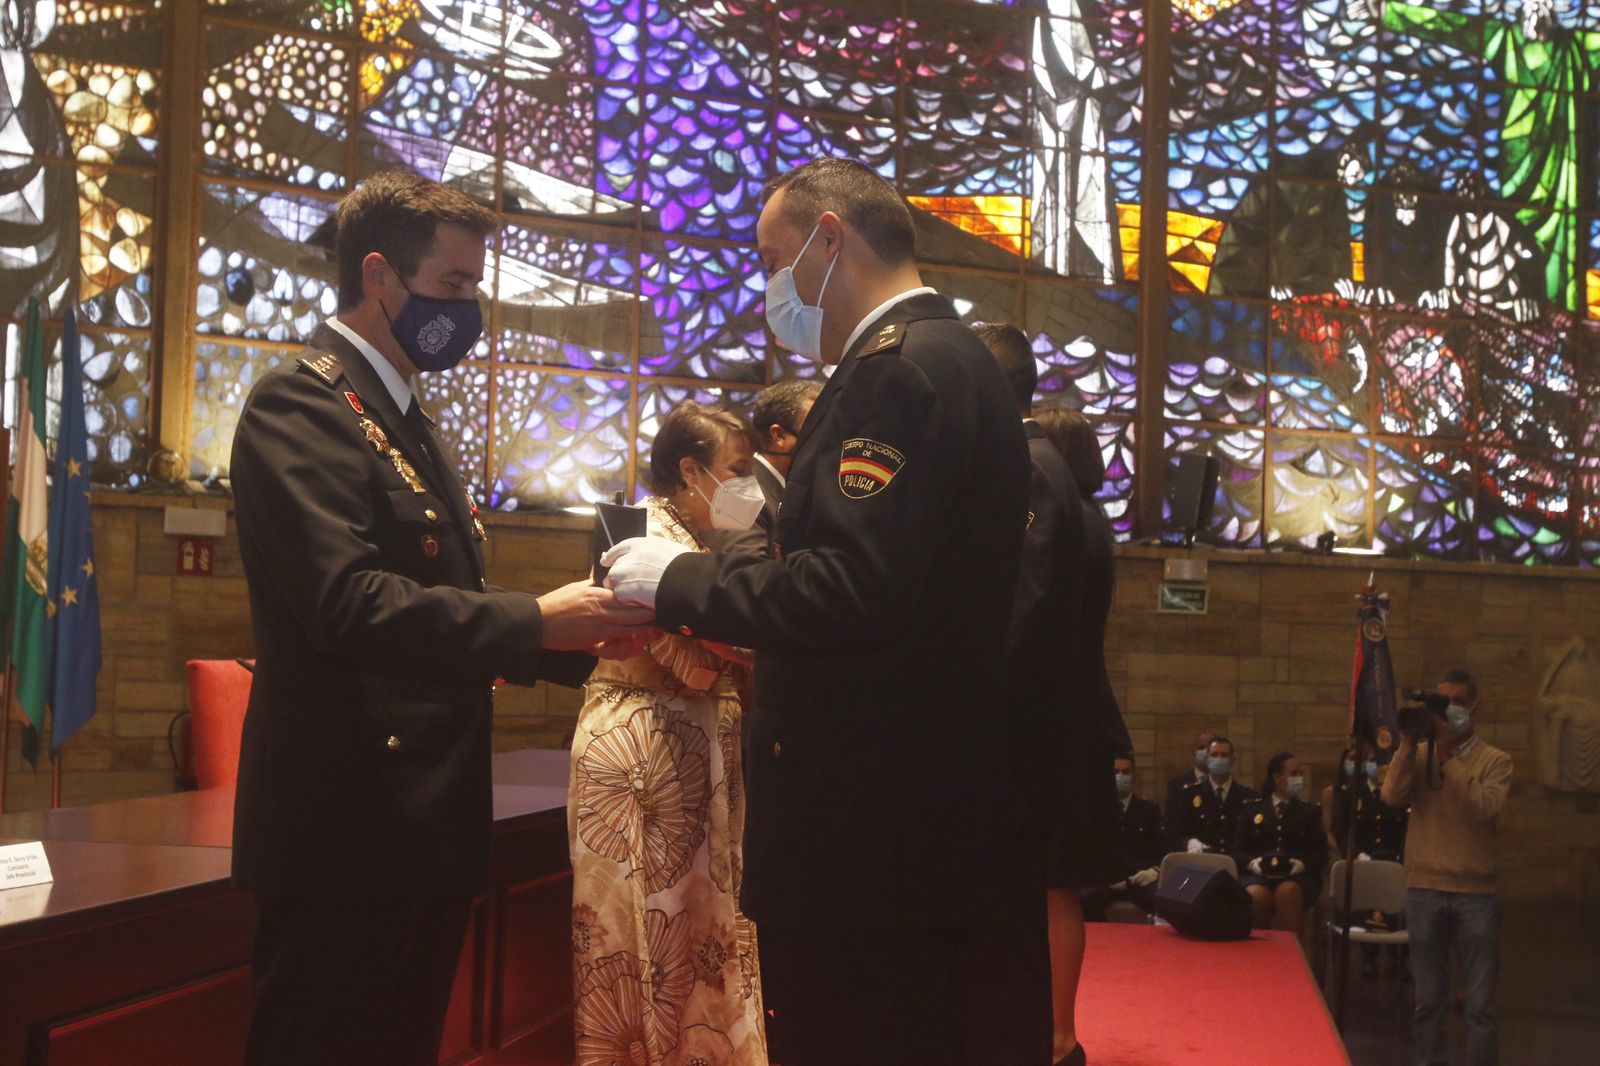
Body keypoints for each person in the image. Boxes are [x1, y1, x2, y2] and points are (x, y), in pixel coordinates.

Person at [601, 157, 1037, 1066]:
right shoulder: (960, 361)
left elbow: (850, 591)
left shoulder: (892, 373)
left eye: (776, 258)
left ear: (831, 239)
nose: (773, 287)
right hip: (924, 805)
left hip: (866, 827)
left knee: (856, 1034)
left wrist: (672, 582)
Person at [228, 171, 654, 1066]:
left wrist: (590, 641)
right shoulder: (303, 403)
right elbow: (347, 603)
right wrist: (533, 622)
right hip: (348, 824)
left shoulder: (400, 413)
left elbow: (440, 601)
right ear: (380, 276)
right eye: (456, 286)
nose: (472, 309)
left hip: (419, 821)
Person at [569, 401, 767, 1065]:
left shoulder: (708, 544)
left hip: (699, 743)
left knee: (706, 934)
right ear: (690, 471)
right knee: (640, 939)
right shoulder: (638, 534)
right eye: (737, 471)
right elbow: (704, 655)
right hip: (641, 748)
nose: (749, 488)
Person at [1016, 395, 1132, 1066]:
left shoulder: (1064, 519)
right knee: (1045, 881)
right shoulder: (1089, 520)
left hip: (1059, 721)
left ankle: (1059, 1035)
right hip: (1075, 713)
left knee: (1054, 880)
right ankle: (1050, 1029)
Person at [1383, 669, 1513, 1066]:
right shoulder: (1419, 755)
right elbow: (1390, 797)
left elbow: (1486, 807)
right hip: (1423, 889)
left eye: (1456, 701)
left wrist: (1449, 757)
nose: (1448, 710)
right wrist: (1408, 743)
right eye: (1441, 702)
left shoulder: (1496, 760)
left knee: (1479, 1006)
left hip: (1476, 894)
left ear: (1475, 706)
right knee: (1428, 1001)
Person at [702, 380, 822, 558]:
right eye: (817, 430)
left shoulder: (790, 490)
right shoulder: (741, 495)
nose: (824, 440)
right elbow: (745, 577)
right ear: (779, 435)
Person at [1233, 753, 1326, 932]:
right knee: (1256, 895)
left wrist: (1302, 864)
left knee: (1287, 893)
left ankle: (1289, 956)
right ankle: (1257, 956)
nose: (1298, 779)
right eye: (1293, 774)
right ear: (1277, 778)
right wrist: (1252, 863)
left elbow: (1320, 853)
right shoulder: (1252, 809)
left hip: (1297, 876)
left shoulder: (1309, 812)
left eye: (1300, 774)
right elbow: (1237, 850)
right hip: (1258, 873)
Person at [1080, 754, 1165, 921]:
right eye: (1116, 772)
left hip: (1138, 878)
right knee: (1085, 899)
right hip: (1104, 879)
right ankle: (1102, 943)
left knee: (1161, 900)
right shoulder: (1095, 811)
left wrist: (1154, 871)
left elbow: (1160, 849)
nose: (1121, 776)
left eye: (1126, 772)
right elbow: (1087, 850)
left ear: (1134, 775)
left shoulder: (1149, 809)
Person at [1164, 736, 1258, 853]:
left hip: (1236, 865)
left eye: (1224, 755)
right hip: (1202, 863)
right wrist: (1190, 842)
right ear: (1207, 759)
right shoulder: (1191, 794)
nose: (1219, 759)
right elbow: (1177, 833)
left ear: (1232, 760)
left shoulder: (1248, 796)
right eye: (1214, 755)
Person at [1166, 728, 1217, 815]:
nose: (1205, 751)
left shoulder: (1223, 783)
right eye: (1201, 747)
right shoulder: (1177, 785)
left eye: (1209, 747)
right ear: (1194, 751)